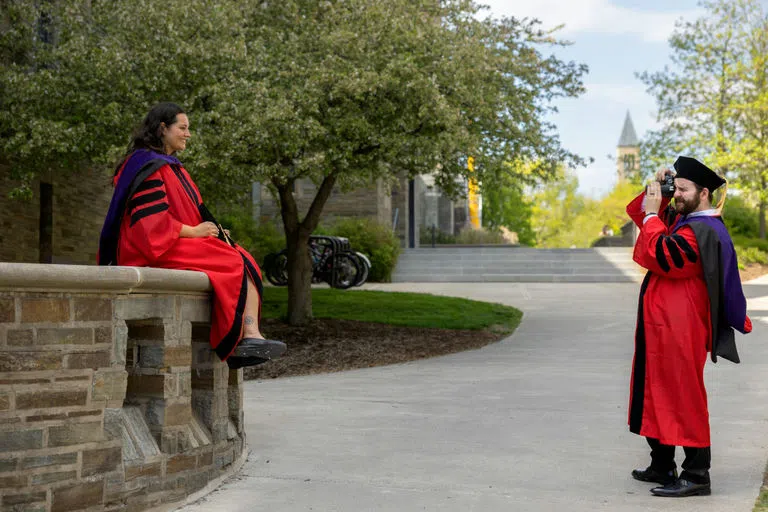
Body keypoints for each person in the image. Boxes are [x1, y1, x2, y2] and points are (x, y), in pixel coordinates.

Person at [98, 102, 286, 369]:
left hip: (171, 240)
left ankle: (250, 336)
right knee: (232, 262)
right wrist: (196, 231)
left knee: (241, 256)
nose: (188, 134)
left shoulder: (170, 166)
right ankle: (240, 341)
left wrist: (212, 231)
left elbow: (189, 212)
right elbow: (150, 223)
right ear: (163, 128)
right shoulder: (144, 165)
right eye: (183, 128)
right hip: (148, 247)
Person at [625, 156, 752, 498]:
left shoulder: (704, 231)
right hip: (663, 325)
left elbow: (662, 255)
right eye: (675, 188)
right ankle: (661, 463)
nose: (676, 195)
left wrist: (654, 215)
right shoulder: (687, 219)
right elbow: (640, 215)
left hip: (682, 329)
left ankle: (697, 473)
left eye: (682, 189)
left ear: (704, 192)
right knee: (655, 391)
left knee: (683, 395)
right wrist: (657, 192)